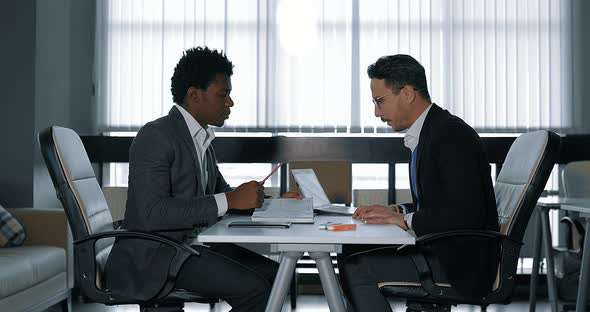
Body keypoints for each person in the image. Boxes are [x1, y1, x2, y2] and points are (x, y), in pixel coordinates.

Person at [105, 46, 299, 312]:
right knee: (256, 291)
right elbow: (150, 214)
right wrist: (230, 199)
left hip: (190, 246)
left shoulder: (201, 139)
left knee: (279, 276)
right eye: (224, 94)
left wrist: (272, 203)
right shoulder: (155, 136)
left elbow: (224, 196)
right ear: (195, 95)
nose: (230, 103)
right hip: (158, 256)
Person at [339, 54, 500, 311]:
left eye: (380, 101)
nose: (377, 112)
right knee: (349, 252)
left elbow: (466, 215)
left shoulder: (450, 135)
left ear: (408, 93)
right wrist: (398, 211)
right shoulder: (432, 131)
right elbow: (441, 203)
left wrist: (405, 221)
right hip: (444, 251)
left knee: (356, 269)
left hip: (459, 264)